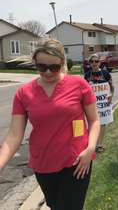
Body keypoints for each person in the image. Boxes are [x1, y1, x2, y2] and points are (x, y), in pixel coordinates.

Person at [0, 39, 100, 210]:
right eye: (41, 67)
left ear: (62, 63)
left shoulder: (79, 85)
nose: (47, 72)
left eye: (53, 67)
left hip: (77, 161)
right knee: (55, 206)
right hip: (43, 165)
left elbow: (94, 120)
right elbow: (15, 135)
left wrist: (90, 149)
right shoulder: (23, 94)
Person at [84, 53, 114, 153]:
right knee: (92, 123)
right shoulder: (87, 75)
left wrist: (111, 96)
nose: (94, 63)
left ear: (100, 62)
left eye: (96, 61)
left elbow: (111, 86)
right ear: (90, 63)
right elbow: (83, 90)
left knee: (102, 123)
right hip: (91, 104)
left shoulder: (105, 73)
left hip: (103, 104)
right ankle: (93, 143)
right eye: (92, 61)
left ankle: (99, 144)